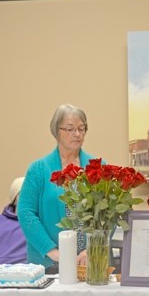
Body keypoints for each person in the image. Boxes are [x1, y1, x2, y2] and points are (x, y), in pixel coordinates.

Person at [18, 104, 100, 273]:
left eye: (81, 129)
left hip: (90, 263)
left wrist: (92, 248)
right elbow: (26, 212)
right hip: (50, 264)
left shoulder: (97, 167)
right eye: (70, 129)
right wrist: (52, 252)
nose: (77, 134)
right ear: (57, 131)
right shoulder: (38, 169)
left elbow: (109, 215)